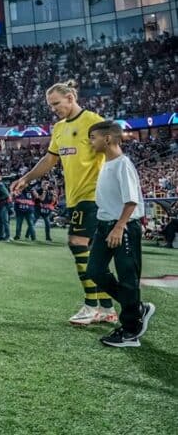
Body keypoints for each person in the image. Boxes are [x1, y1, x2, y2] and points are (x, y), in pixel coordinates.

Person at [11, 81, 117, 326]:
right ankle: (107, 308)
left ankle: (91, 306)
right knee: (94, 254)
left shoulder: (94, 121)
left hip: (94, 196)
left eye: (56, 103)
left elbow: (114, 155)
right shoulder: (59, 128)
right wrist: (26, 178)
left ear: (70, 98)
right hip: (75, 197)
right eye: (50, 105)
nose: (53, 109)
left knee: (77, 243)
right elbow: (49, 160)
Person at [85, 120, 154, 347]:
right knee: (94, 270)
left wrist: (119, 226)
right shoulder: (107, 163)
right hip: (105, 225)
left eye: (93, 138)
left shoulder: (123, 164)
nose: (90, 142)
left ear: (107, 139)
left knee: (127, 278)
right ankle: (136, 308)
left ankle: (131, 331)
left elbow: (131, 201)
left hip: (122, 226)